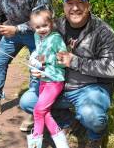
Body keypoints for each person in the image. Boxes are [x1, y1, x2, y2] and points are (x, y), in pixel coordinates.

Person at [20, 0, 114, 148]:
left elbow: (111, 68)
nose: (75, 8)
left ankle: (96, 135)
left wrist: (75, 61)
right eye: (70, 3)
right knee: (27, 102)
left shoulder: (103, 31)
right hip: (58, 85)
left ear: (88, 6)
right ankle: (69, 123)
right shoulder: (54, 25)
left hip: (90, 88)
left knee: (92, 115)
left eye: (80, 3)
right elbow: (39, 48)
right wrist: (38, 65)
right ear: (64, 7)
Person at [27, 8, 69, 148]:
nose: (41, 29)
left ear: (51, 23)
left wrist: (47, 65)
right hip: (43, 80)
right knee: (44, 112)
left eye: (44, 25)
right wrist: (34, 61)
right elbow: (39, 53)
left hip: (54, 80)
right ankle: (61, 142)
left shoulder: (56, 38)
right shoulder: (36, 36)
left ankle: (36, 142)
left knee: (38, 111)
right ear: (33, 27)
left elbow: (63, 62)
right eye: (37, 27)